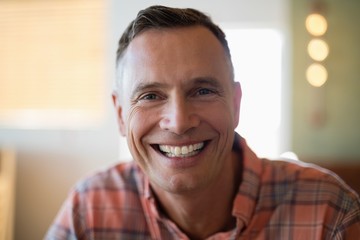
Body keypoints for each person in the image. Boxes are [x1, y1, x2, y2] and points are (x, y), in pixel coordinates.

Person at [45, 5, 360, 240]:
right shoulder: (88, 210)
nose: (179, 122)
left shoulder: (329, 212)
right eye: (151, 96)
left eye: (203, 90)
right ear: (119, 115)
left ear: (236, 104)